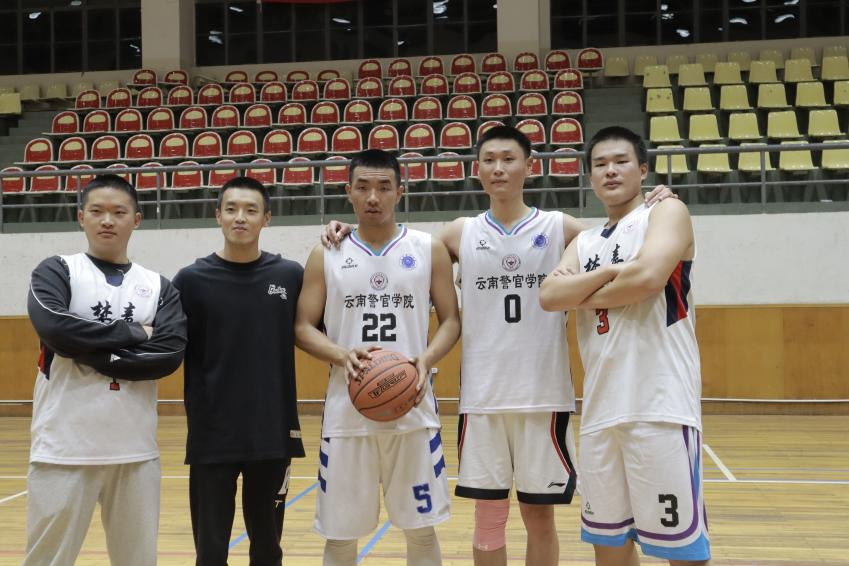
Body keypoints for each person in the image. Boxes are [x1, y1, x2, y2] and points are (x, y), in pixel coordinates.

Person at [322, 126, 675, 566]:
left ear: (530, 166)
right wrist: (346, 228)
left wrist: (651, 204)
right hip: (482, 398)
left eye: (509, 159)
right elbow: (394, 249)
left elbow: (616, 236)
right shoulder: (459, 233)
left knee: (539, 518)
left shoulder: (559, 226)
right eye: (489, 160)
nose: (499, 168)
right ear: (477, 170)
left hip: (544, 396)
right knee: (487, 519)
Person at [539, 126, 710, 566]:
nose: (610, 171)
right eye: (600, 164)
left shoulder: (666, 212)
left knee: (682, 552)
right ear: (589, 177)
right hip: (600, 413)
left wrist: (581, 290)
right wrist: (611, 274)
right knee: (609, 548)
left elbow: (649, 278)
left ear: (643, 170)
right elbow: (549, 296)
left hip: (660, 406)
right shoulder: (584, 242)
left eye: (621, 161)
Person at [295, 149, 461, 566]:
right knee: (340, 536)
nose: (373, 197)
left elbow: (451, 320)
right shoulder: (326, 253)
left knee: (421, 530)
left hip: (413, 408)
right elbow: (302, 327)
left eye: (384, 187)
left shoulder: (428, 248)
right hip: (347, 414)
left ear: (400, 192)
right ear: (348, 191)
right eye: (363, 187)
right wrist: (341, 354)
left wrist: (425, 359)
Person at [24, 174, 187, 566]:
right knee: (47, 560)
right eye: (97, 211)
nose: (107, 220)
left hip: (135, 452)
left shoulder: (159, 287)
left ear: (137, 219)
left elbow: (168, 354)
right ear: (81, 217)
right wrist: (135, 333)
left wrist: (89, 353)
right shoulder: (57, 271)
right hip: (63, 447)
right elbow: (55, 327)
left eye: (118, 212)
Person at [172, 176, 305, 566]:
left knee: (267, 550)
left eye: (251, 210)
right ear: (218, 216)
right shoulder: (191, 280)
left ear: (267, 218)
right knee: (210, 553)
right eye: (231, 209)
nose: (240, 218)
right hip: (212, 435)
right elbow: (166, 342)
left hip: (272, 432)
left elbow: (317, 330)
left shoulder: (289, 275)